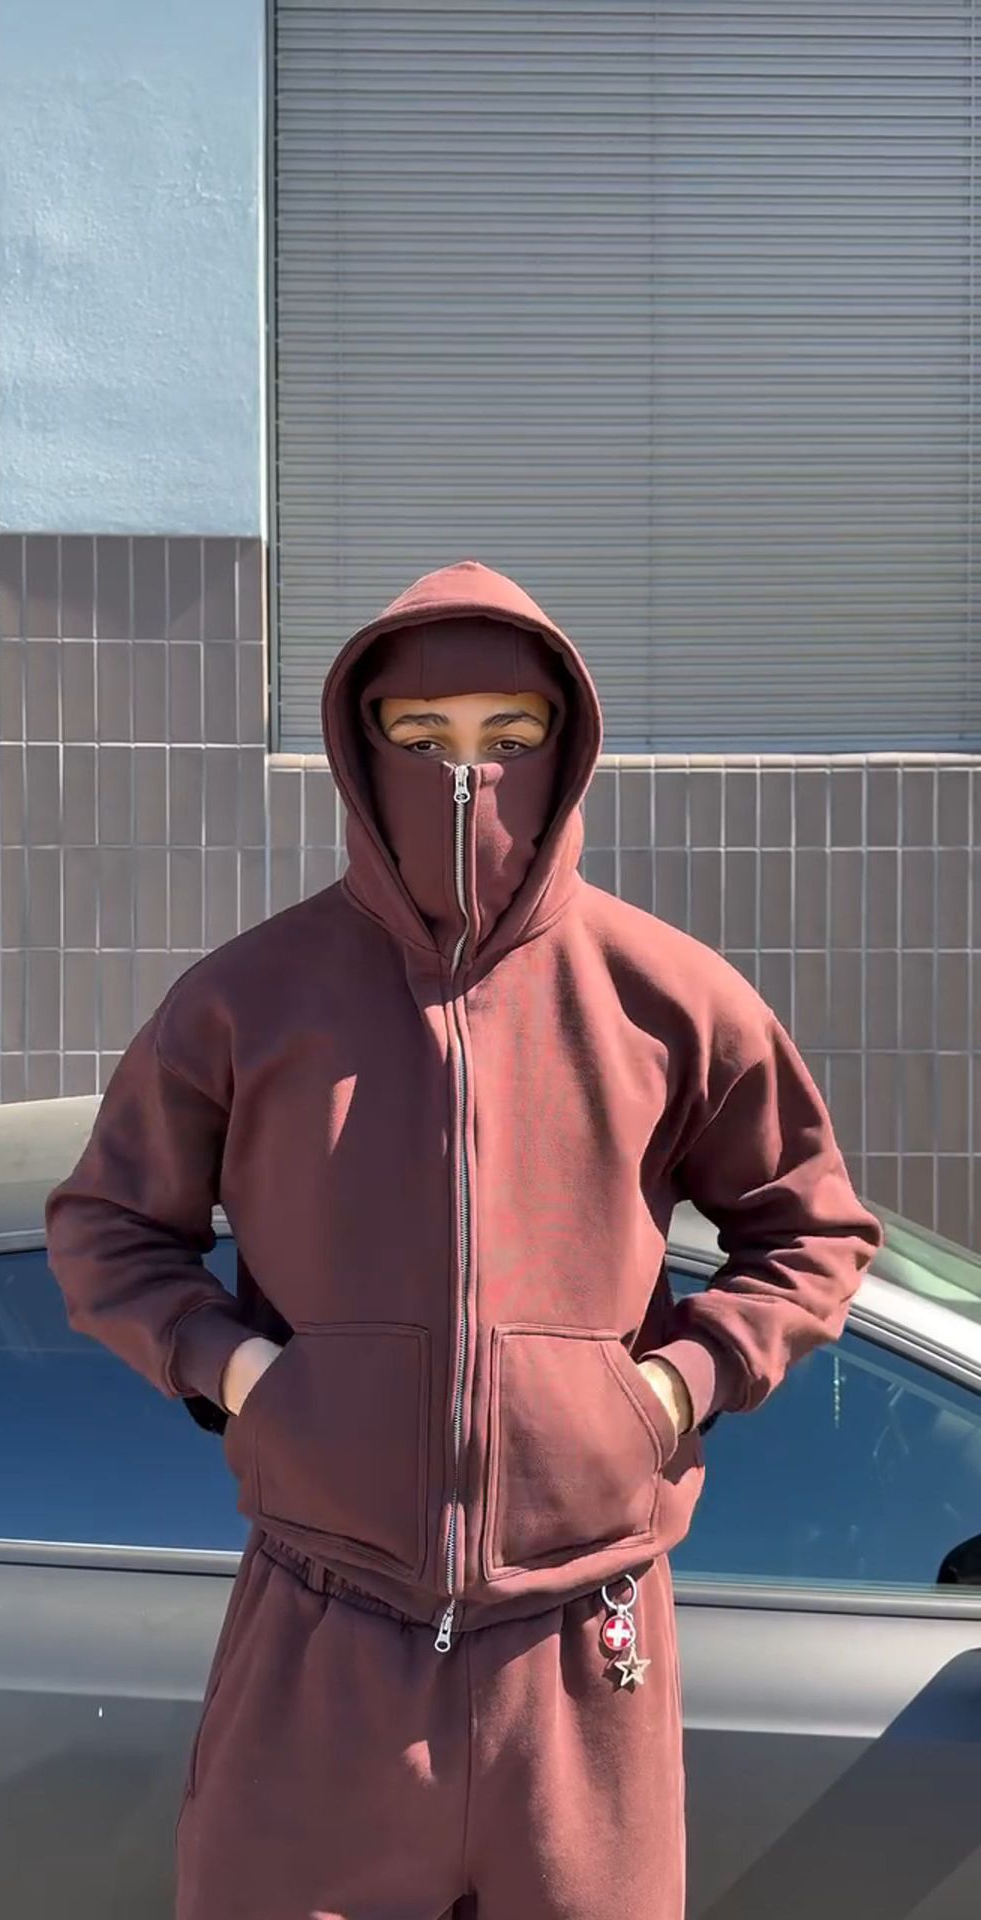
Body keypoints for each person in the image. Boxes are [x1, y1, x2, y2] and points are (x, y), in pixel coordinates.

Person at [45, 559, 882, 1920]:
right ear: (359, 750)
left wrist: (671, 1390)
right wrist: (243, 1374)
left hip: (586, 1650)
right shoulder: (249, 1001)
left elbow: (812, 1228)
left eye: (508, 735)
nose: (465, 777)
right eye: (423, 736)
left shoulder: (668, 997)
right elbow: (106, 1227)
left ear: (567, 750)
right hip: (320, 1633)